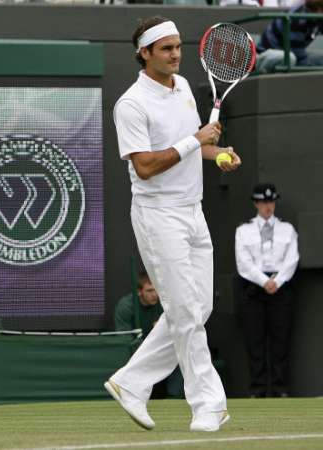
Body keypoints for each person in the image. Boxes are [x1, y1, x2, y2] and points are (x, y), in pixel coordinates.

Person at [104, 16, 242, 432]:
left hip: (193, 211)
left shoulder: (182, 87)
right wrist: (196, 141)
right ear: (144, 54)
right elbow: (146, 166)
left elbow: (191, 146)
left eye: (178, 46)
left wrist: (214, 153)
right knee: (183, 311)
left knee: (199, 308)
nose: (176, 54)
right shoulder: (130, 104)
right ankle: (208, 404)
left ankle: (132, 382)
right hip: (158, 215)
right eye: (166, 48)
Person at [235, 183, 299, 398]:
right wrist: (264, 282)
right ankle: (258, 389)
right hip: (254, 288)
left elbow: (292, 259)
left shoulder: (287, 229)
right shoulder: (243, 230)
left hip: (280, 287)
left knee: (281, 341)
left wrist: (276, 281)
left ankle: (281, 389)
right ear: (256, 203)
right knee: (255, 341)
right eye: (263, 202)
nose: (268, 206)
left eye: (270, 202)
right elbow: (243, 262)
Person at [115, 270, 184, 399]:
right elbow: (124, 338)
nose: (154, 295)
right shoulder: (126, 306)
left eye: (156, 290)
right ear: (139, 291)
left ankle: (173, 398)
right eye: (149, 291)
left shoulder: (164, 304)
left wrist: (162, 330)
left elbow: (176, 331)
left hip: (161, 349)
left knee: (179, 352)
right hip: (136, 351)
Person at [256, 0, 323, 73]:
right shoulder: (297, 19)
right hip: (266, 56)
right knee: (291, 59)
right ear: (318, 9)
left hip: (290, 53)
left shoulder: (316, 16)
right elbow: (300, 58)